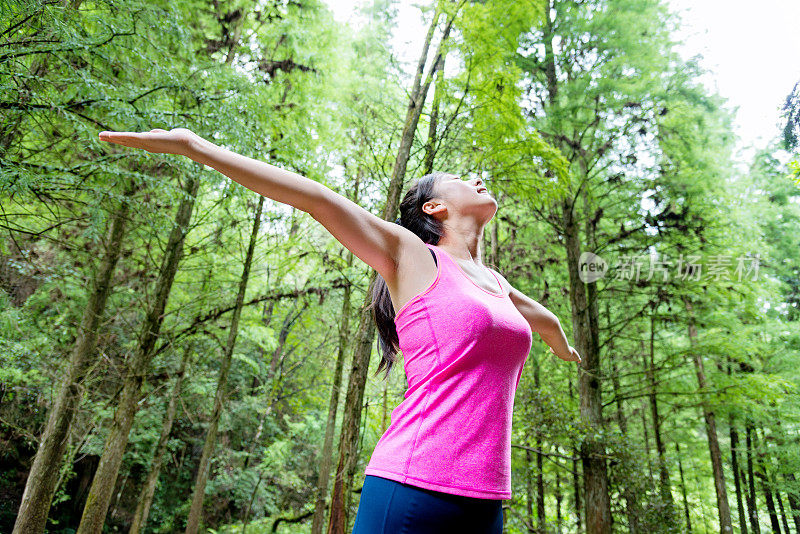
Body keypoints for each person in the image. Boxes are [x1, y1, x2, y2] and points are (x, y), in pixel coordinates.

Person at [98, 128, 582, 534]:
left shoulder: (497, 284)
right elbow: (314, 198)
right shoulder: (411, 254)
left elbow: (540, 317)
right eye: (458, 179)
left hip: (486, 499)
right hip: (413, 484)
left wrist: (562, 343)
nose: (477, 179)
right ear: (434, 208)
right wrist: (193, 146)